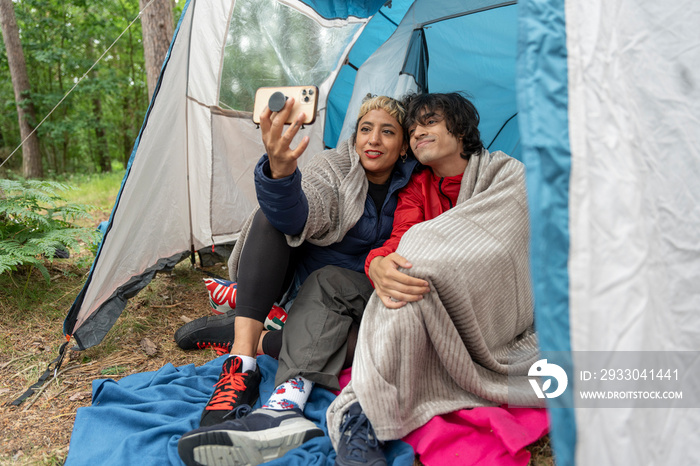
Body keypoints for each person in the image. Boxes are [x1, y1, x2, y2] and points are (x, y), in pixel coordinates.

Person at [177, 94, 418, 463]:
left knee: (377, 344)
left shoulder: (417, 185)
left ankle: (258, 337)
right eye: (365, 129)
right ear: (354, 138)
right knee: (270, 218)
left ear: (404, 146)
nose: (373, 140)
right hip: (312, 291)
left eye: (387, 132)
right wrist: (281, 174)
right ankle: (241, 365)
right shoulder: (335, 168)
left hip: (364, 299)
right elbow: (301, 210)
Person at [320, 92, 542, 466]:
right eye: (412, 128)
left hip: (496, 303)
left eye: (429, 121)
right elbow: (403, 241)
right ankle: (364, 422)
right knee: (405, 289)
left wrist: (443, 262)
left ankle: (364, 412)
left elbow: (507, 247)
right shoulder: (417, 190)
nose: (417, 132)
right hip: (428, 295)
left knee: (413, 283)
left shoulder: (507, 175)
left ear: (459, 127)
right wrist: (378, 264)